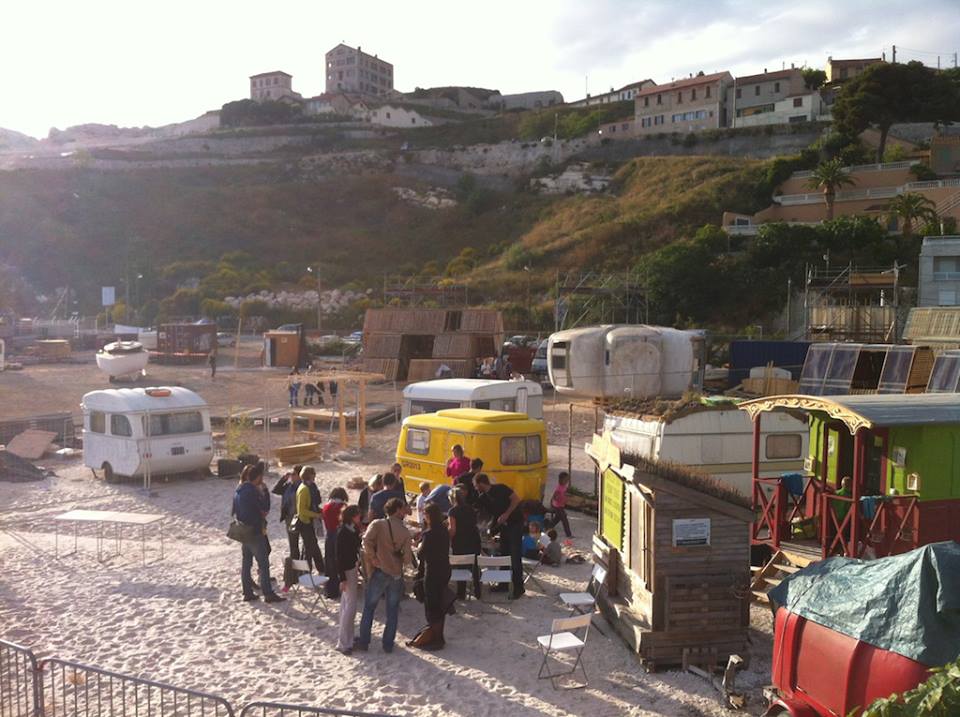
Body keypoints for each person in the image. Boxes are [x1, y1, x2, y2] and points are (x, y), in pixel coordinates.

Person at [356, 498, 414, 653]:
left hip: (380, 570)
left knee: (369, 607)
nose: (405, 512)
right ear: (397, 510)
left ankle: (364, 641)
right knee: (392, 611)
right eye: (403, 509)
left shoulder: (378, 524)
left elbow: (366, 541)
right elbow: (407, 559)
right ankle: (388, 644)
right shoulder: (404, 531)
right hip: (396, 573)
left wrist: (373, 557)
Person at [233, 463, 284, 603]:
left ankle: (247, 592)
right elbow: (264, 509)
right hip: (254, 530)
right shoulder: (252, 491)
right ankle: (268, 593)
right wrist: (265, 492)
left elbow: (234, 511)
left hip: (243, 530)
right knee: (263, 563)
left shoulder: (239, 489)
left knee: (246, 563)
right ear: (257, 477)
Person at [409, 502, 452, 650]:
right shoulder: (444, 530)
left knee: (432, 604)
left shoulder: (429, 534)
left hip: (433, 571)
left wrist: (419, 546)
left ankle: (437, 638)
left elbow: (421, 554)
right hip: (444, 569)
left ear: (429, 516)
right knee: (440, 602)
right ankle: (438, 636)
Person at [475, 473, 524, 598]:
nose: (475, 488)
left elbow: (516, 499)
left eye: (476, 485)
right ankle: (503, 584)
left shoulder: (501, 488)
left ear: (481, 483)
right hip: (504, 527)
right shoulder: (483, 498)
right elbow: (487, 516)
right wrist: (489, 530)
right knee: (504, 553)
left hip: (515, 523)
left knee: (515, 555)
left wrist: (507, 513)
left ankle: (519, 587)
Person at [335, 505, 362, 654]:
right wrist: (342, 578)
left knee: (346, 604)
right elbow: (339, 557)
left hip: (352, 567)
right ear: (352, 516)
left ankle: (348, 638)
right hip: (347, 570)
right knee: (350, 607)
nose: (359, 517)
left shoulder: (352, 529)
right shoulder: (343, 532)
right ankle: (343, 642)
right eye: (357, 515)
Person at [447, 485, 481, 600]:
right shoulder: (471, 509)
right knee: (474, 566)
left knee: (461, 566)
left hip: (460, 541)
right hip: (474, 539)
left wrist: (446, 537)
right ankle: (477, 590)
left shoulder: (453, 511)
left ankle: (461, 593)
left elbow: (453, 530)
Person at [294, 467, 324, 574]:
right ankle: (305, 573)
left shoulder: (309, 487)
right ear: (309, 475)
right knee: (308, 549)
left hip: (308, 522)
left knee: (313, 546)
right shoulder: (304, 489)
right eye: (313, 474)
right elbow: (301, 510)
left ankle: (321, 568)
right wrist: (317, 515)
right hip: (305, 522)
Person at [322, 487, 349, 599]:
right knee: (339, 562)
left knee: (329, 563)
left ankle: (330, 590)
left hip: (329, 535)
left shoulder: (326, 506)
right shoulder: (343, 507)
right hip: (339, 535)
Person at [548, 471, 574, 538]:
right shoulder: (559, 488)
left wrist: (566, 497)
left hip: (561, 506)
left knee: (558, 518)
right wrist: (557, 498)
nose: (567, 481)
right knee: (564, 519)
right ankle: (569, 534)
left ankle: (549, 526)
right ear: (561, 480)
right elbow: (554, 496)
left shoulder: (564, 487)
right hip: (557, 506)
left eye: (567, 479)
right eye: (566, 480)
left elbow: (564, 494)